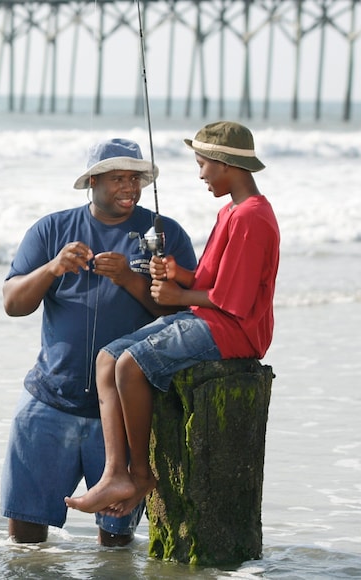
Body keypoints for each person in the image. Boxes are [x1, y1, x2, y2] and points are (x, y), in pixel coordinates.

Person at [64, 121, 280, 518]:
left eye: (203, 165)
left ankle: (140, 474)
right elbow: (213, 281)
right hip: (211, 320)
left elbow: (237, 302)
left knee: (131, 365)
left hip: (234, 333)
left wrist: (179, 296)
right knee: (107, 359)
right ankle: (115, 472)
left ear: (224, 163)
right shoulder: (230, 211)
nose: (200, 174)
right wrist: (180, 275)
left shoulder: (251, 217)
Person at [1, 138, 197, 546]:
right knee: (25, 540)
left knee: (116, 545)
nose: (129, 187)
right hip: (48, 402)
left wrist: (129, 278)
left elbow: (180, 318)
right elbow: (13, 304)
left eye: (135, 179)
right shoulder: (52, 228)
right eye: (117, 178)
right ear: (92, 181)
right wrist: (52, 268)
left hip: (126, 417)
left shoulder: (165, 232)